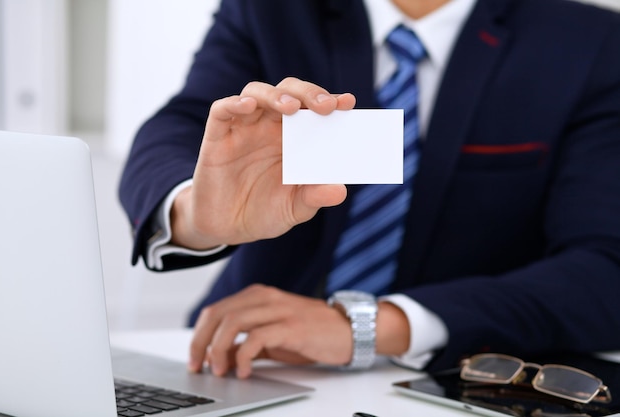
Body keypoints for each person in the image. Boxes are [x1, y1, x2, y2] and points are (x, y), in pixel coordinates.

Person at [119, 0, 620, 380]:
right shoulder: (272, 11)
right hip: (248, 361)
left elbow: (605, 269)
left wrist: (373, 325)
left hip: (443, 377)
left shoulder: (589, 44)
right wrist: (197, 209)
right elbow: (181, 125)